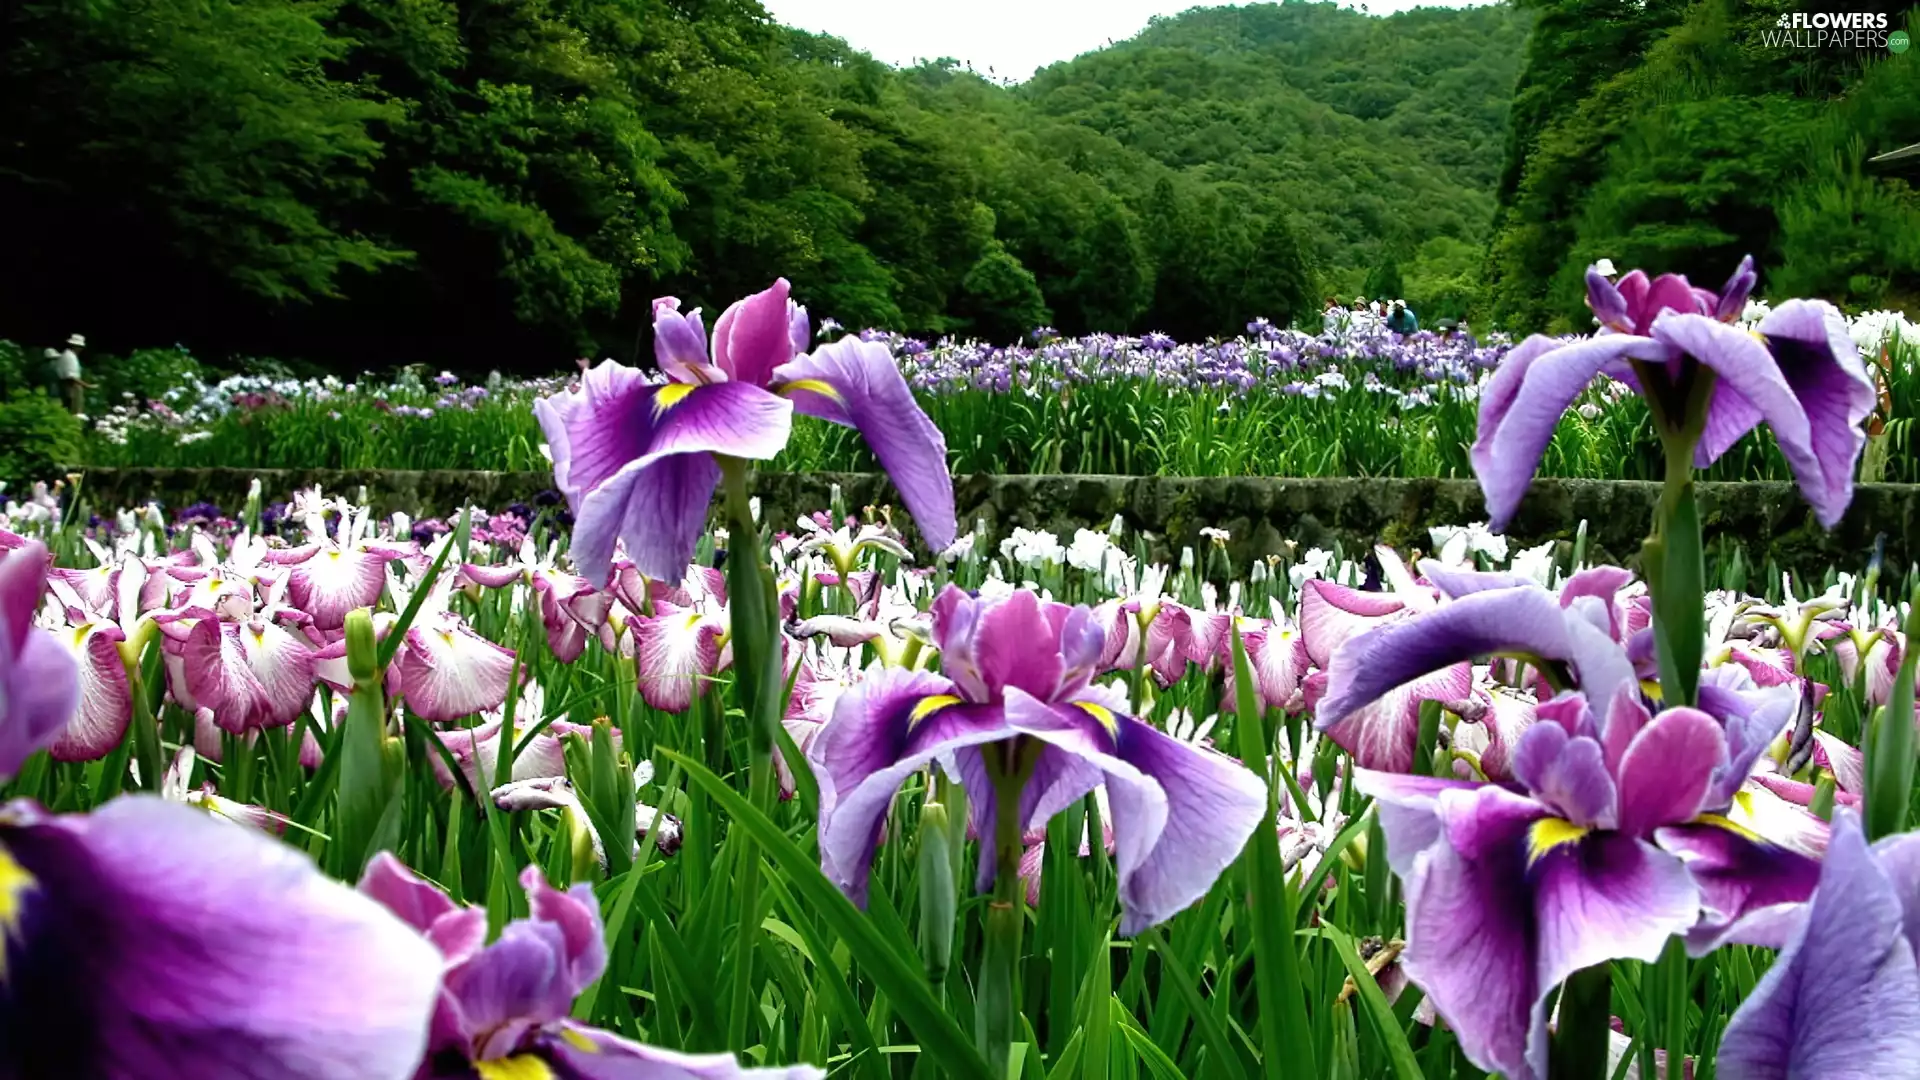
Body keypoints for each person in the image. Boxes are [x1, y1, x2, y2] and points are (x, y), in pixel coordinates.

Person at [45, 333, 86, 415]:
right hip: (71, 385)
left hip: (71, 384)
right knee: (73, 409)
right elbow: (70, 376)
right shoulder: (69, 357)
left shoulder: (71, 356)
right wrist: (87, 385)